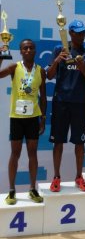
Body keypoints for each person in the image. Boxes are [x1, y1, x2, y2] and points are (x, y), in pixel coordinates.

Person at [47, 19, 85, 192]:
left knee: (79, 142)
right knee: (58, 142)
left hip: (80, 103)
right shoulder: (59, 50)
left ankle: (78, 176)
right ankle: (56, 177)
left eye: (84, 32)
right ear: (71, 33)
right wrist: (57, 61)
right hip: (60, 102)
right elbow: (50, 76)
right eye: (79, 32)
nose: (82, 35)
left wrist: (82, 67)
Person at [0, 39, 46, 205]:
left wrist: (43, 118)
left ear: (35, 51)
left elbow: (43, 96)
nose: (28, 50)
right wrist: (1, 55)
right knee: (15, 154)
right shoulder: (14, 67)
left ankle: (32, 189)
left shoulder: (40, 71)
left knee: (32, 154)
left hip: (33, 118)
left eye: (31, 48)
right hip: (17, 118)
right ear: (20, 51)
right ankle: (11, 190)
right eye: (25, 48)